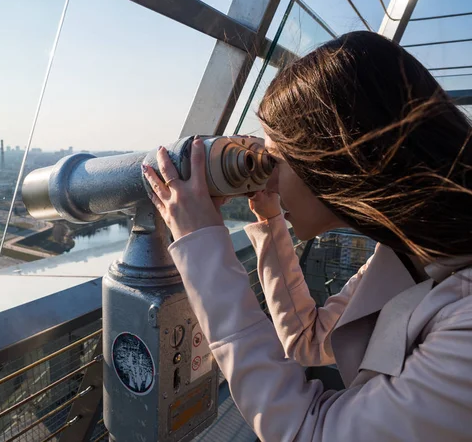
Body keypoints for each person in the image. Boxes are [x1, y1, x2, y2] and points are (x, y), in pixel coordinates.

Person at [141, 31, 472, 441]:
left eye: (275, 160)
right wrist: (270, 221)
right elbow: (309, 340)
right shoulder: (411, 254)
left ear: (337, 159)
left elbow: (314, 433)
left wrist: (202, 245)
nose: (269, 178)